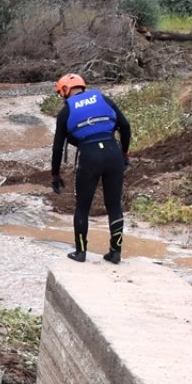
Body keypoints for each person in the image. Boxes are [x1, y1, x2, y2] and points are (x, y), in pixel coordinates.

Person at [50, 73, 132, 265]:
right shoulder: (103, 98)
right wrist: (125, 154)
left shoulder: (66, 112)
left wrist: (55, 175)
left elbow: (57, 148)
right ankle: (115, 252)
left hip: (89, 157)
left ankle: (80, 252)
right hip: (113, 153)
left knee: (82, 207)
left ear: (65, 91)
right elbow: (126, 126)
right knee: (114, 206)